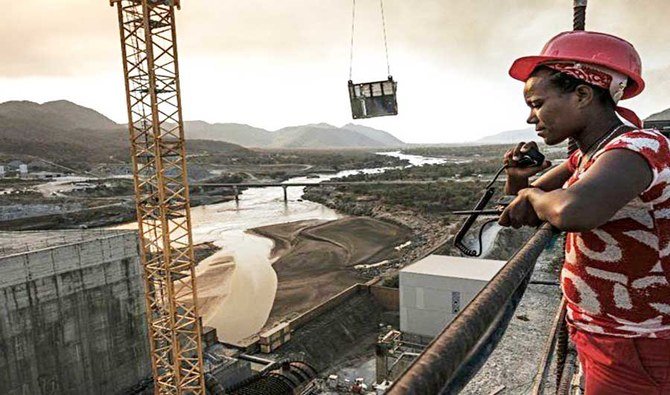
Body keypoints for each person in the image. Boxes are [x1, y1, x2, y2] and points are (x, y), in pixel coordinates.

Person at [499, 31, 670, 394]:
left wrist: (532, 194)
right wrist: (519, 181)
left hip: (641, 343)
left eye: (538, 103)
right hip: (607, 334)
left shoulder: (638, 147)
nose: (532, 118)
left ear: (581, 95)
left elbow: (574, 210)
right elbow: (529, 207)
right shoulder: (587, 156)